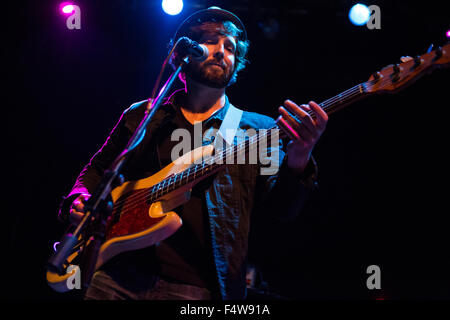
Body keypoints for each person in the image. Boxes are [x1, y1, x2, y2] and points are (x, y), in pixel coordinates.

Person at [58, 7, 328, 300]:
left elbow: (283, 210)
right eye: (209, 41)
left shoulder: (258, 129)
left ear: (236, 63)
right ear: (180, 54)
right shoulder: (145, 115)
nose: (221, 51)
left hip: (199, 289)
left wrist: (300, 157)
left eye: (229, 47)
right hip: (116, 276)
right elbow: (98, 169)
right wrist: (79, 198)